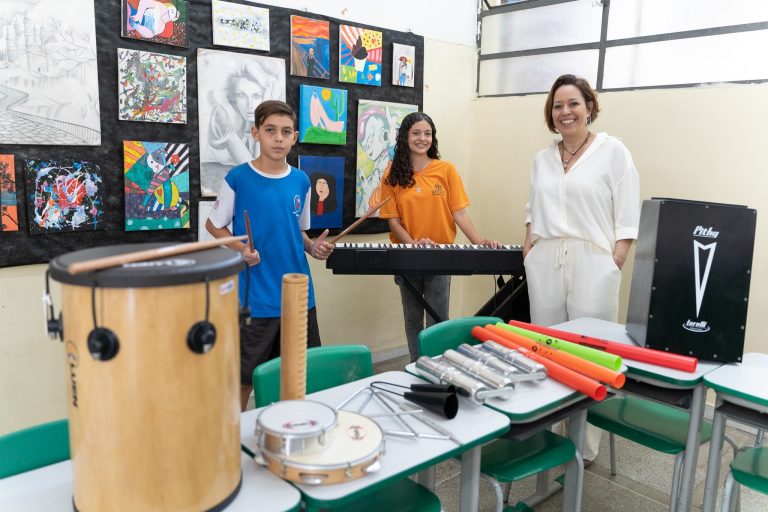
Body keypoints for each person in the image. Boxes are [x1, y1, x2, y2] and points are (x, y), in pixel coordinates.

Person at [523, 74, 640, 463]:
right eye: (557, 105)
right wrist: (529, 248)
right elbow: (532, 207)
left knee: (588, 354)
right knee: (548, 351)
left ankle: (582, 448)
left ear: (589, 106)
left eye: (573, 103)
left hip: (594, 261)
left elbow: (627, 210)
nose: (565, 112)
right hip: (546, 258)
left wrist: (615, 259)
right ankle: (548, 436)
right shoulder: (542, 158)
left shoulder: (613, 151)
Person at [206, 100, 334, 410]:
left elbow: (297, 230)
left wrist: (313, 247)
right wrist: (241, 250)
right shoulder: (238, 178)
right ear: (256, 133)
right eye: (270, 130)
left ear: (295, 137)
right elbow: (214, 225)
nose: (278, 138)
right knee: (245, 379)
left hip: (299, 295)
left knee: (300, 373)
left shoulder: (301, 180)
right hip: (257, 299)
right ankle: (234, 433)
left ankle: (293, 425)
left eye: (286, 132)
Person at [379, 112, 501, 362]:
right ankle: (416, 365)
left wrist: (479, 242)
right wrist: (414, 246)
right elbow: (394, 221)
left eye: (427, 133)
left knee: (438, 319)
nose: (422, 138)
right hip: (407, 256)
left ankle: (437, 366)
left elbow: (459, 213)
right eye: (416, 133)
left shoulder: (446, 170)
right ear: (405, 137)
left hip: (441, 256)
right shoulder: (391, 175)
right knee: (412, 319)